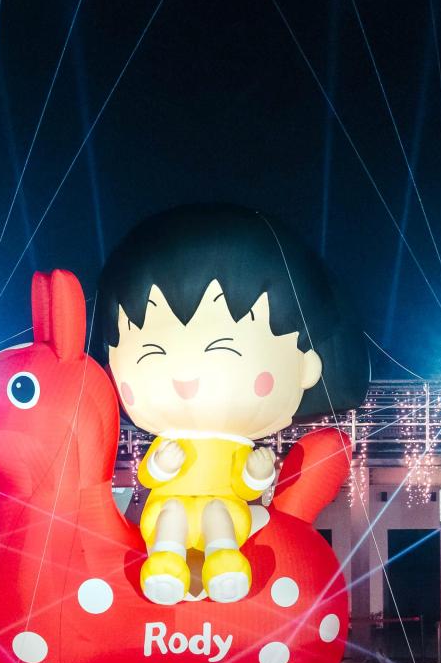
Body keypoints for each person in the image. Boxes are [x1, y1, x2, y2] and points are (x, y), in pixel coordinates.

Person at [94, 204, 368, 604]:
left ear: (306, 367)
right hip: (170, 505)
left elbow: (242, 484)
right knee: (170, 518)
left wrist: (256, 474)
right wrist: (161, 464)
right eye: (152, 352)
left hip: (222, 506)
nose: (184, 376)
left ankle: (225, 564)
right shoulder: (171, 439)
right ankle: (165, 566)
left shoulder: (233, 446)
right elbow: (150, 477)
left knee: (219, 517)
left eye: (221, 348)